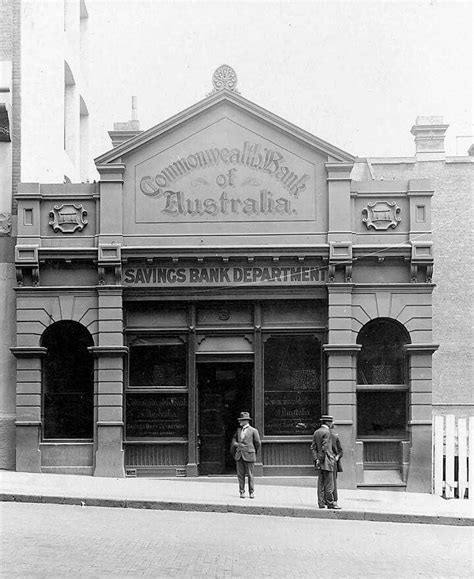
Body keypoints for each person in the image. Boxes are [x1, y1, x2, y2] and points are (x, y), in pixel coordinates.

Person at [310, 415, 341, 509]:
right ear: (328, 423)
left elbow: (313, 448)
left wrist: (317, 460)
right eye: (331, 422)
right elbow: (325, 448)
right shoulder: (327, 432)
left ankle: (321, 503)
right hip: (327, 462)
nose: (332, 424)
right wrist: (322, 459)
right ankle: (330, 503)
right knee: (329, 484)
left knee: (320, 483)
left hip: (320, 462)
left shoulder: (316, 432)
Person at [230, 411, 261, 499]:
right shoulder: (238, 430)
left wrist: (252, 451)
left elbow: (257, 443)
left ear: (246, 421)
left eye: (242, 420)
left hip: (249, 455)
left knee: (250, 475)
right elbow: (234, 440)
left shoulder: (253, 431)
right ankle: (242, 492)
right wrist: (237, 445)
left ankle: (251, 492)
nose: (240, 422)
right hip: (239, 455)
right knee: (240, 475)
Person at [330, 423, 343, 508]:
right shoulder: (333, 436)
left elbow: (340, 451)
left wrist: (337, 457)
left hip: (332, 462)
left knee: (332, 481)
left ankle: (333, 500)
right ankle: (333, 501)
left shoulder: (335, 437)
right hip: (329, 461)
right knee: (332, 481)